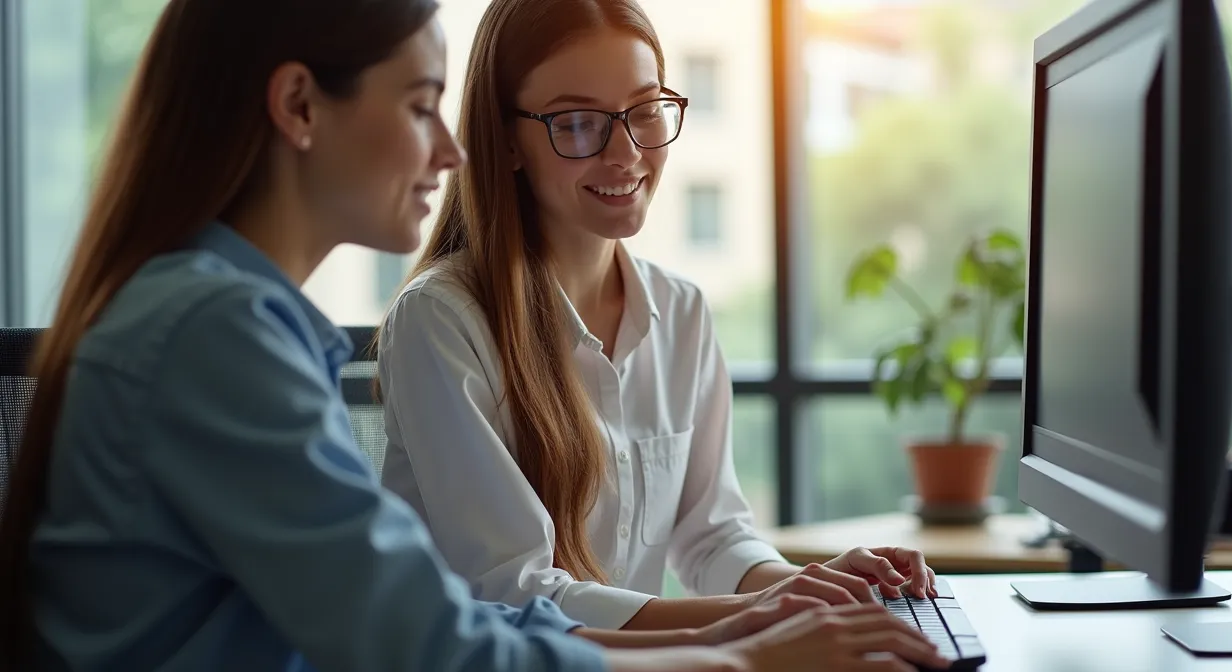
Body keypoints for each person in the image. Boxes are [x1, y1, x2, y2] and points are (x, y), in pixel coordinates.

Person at [0, 1, 950, 671]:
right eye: (421, 107)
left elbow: (441, 629)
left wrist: (768, 616)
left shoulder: (235, 324)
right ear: (297, 108)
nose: (447, 151)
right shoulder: (221, 334)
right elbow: (444, 640)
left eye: (645, 115)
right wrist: (742, 652)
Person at [377, 0, 939, 641]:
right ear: (506, 140)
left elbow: (713, 537)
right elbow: (514, 593)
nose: (626, 152)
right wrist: (769, 617)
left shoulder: (682, 312)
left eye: (645, 112)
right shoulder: (441, 321)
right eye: (579, 122)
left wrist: (814, 586)